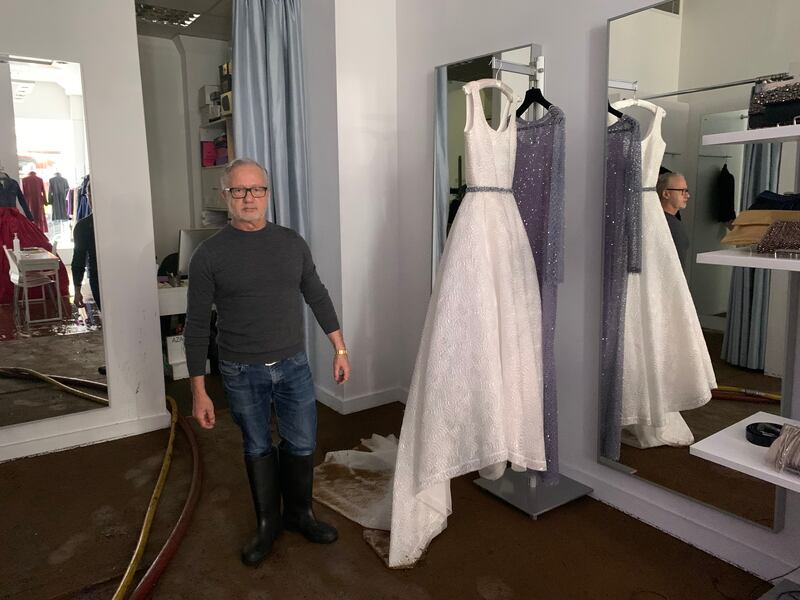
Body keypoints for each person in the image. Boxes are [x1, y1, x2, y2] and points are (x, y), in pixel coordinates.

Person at [183, 158, 351, 567]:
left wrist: (339, 348)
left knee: (303, 442)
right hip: (241, 370)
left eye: (256, 189)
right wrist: (199, 390)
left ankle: (300, 514)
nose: (248, 198)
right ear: (225, 197)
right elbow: (196, 325)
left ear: (267, 194)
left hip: (293, 364)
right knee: (257, 445)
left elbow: (317, 293)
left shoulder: (292, 243)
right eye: (238, 191)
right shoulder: (209, 255)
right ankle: (267, 523)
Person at [657, 171, 690, 268]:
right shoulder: (672, 226)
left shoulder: (654, 219)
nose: (687, 195)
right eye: (682, 191)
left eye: (686, 191)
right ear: (666, 194)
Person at [72, 213, 100, 312]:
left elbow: (78, 260)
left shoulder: (84, 225)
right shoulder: (83, 226)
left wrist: (77, 290)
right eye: (89, 196)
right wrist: (77, 290)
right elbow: (78, 260)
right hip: (97, 277)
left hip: (98, 276)